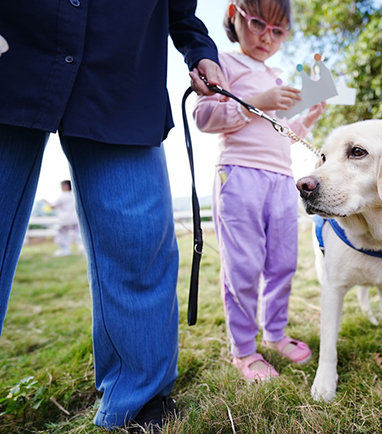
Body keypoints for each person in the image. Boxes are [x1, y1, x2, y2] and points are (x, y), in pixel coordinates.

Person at [0, 1, 227, 431]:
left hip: (122, 81)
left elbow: (181, 11)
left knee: (139, 242)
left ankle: (137, 400)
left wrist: (201, 51)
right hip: (11, 55)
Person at [193, 0, 326, 381]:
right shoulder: (222, 62)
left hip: (281, 178)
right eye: (257, 24)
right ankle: (244, 350)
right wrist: (257, 103)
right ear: (234, 15)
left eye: (278, 31)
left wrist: (306, 119)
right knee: (244, 266)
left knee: (283, 262)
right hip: (239, 176)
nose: (267, 37)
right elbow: (204, 117)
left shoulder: (277, 73)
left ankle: (275, 333)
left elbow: (280, 132)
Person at [47, 180, 84, 256]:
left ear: (66, 186)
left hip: (65, 220)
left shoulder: (62, 196)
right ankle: (82, 248)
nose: (61, 188)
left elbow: (52, 206)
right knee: (77, 234)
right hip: (75, 219)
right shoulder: (74, 195)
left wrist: (45, 201)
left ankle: (65, 250)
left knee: (61, 234)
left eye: (62, 186)